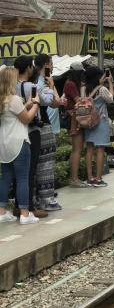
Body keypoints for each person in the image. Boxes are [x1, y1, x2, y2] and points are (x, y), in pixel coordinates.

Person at [0, 67, 41, 224]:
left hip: (4, 144)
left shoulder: (2, 100)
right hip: (19, 142)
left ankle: (2, 212)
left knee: (5, 178)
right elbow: (26, 119)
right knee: (23, 177)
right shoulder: (14, 99)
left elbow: (17, 113)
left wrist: (28, 103)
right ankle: (25, 214)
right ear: (10, 80)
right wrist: (36, 104)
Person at [13, 56, 48, 218]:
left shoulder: (10, 87)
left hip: (14, 131)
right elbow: (40, 105)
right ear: (28, 68)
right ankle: (29, 207)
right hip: (32, 130)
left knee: (15, 171)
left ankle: (16, 206)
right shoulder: (32, 87)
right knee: (30, 170)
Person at [34, 54, 61, 211]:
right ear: (45, 65)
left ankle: (36, 199)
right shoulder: (43, 81)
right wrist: (51, 87)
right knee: (46, 163)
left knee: (35, 164)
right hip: (43, 124)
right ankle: (47, 199)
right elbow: (55, 102)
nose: (51, 66)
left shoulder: (30, 80)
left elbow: (56, 103)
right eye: (50, 64)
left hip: (32, 125)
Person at [84, 66, 114, 187]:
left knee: (90, 149)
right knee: (100, 149)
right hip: (100, 121)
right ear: (98, 77)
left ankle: (90, 178)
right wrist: (110, 82)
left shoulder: (84, 89)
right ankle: (98, 178)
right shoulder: (102, 89)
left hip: (88, 122)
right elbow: (111, 99)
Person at [63, 61, 86, 188]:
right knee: (77, 149)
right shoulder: (71, 84)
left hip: (73, 118)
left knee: (75, 149)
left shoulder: (68, 83)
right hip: (74, 119)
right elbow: (79, 101)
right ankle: (74, 178)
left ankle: (73, 178)